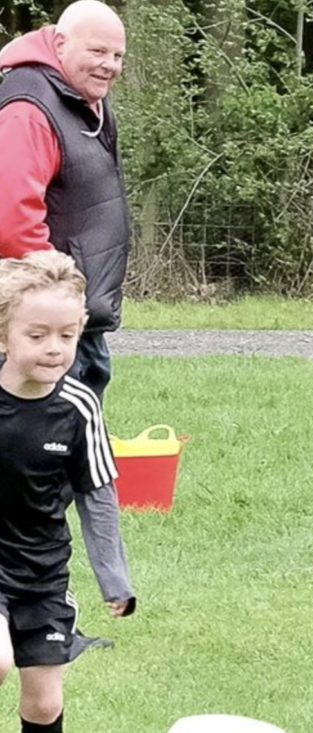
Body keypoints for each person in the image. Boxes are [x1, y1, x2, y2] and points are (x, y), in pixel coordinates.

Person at [0, 250, 136, 733]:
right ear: (4, 334)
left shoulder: (79, 406)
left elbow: (97, 496)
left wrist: (114, 579)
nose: (54, 348)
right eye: (36, 336)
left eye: (67, 335)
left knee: (43, 703)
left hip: (42, 573)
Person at [0, 0, 129, 403]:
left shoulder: (83, 97)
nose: (109, 65)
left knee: (77, 447)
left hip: (78, 320)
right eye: (97, 51)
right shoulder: (29, 109)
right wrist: (58, 301)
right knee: (37, 451)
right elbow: (12, 220)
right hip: (46, 325)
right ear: (59, 43)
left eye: (117, 55)